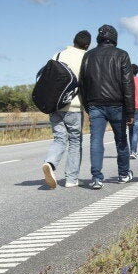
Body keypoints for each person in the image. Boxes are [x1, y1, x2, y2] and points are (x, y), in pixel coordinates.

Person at [80, 25, 134, 190]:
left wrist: (87, 106)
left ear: (99, 38)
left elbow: (82, 84)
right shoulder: (122, 55)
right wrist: (130, 111)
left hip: (95, 105)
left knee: (96, 141)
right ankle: (123, 174)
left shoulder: (88, 56)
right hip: (117, 105)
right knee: (121, 140)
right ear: (115, 38)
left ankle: (96, 178)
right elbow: (128, 85)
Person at [42, 30, 91, 189]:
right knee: (75, 141)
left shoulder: (57, 55)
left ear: (74, 41)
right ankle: (71, 179)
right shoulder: (86, 58)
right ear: (87, 45)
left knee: (59, 139)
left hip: (55, 106)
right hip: (74, 106)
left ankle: (50, 163)